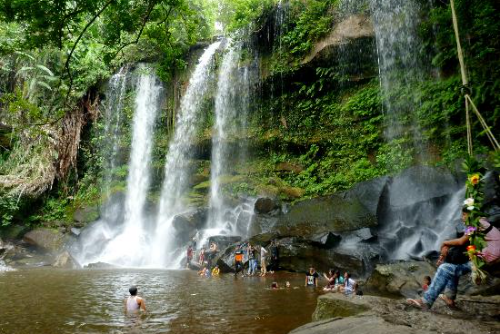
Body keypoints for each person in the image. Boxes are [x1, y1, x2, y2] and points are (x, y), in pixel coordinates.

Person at [408, 208, 500, 310]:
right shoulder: (482, 222)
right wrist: (448, 246)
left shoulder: (474, 224)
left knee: (445, 268)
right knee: (453, 264)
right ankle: (449, 297)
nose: (462, 218)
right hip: (489, 258)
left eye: (464, 215)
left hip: (488, 262)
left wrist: (445, 243)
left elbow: (461, 241)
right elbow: (466, 243)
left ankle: (425, 301)